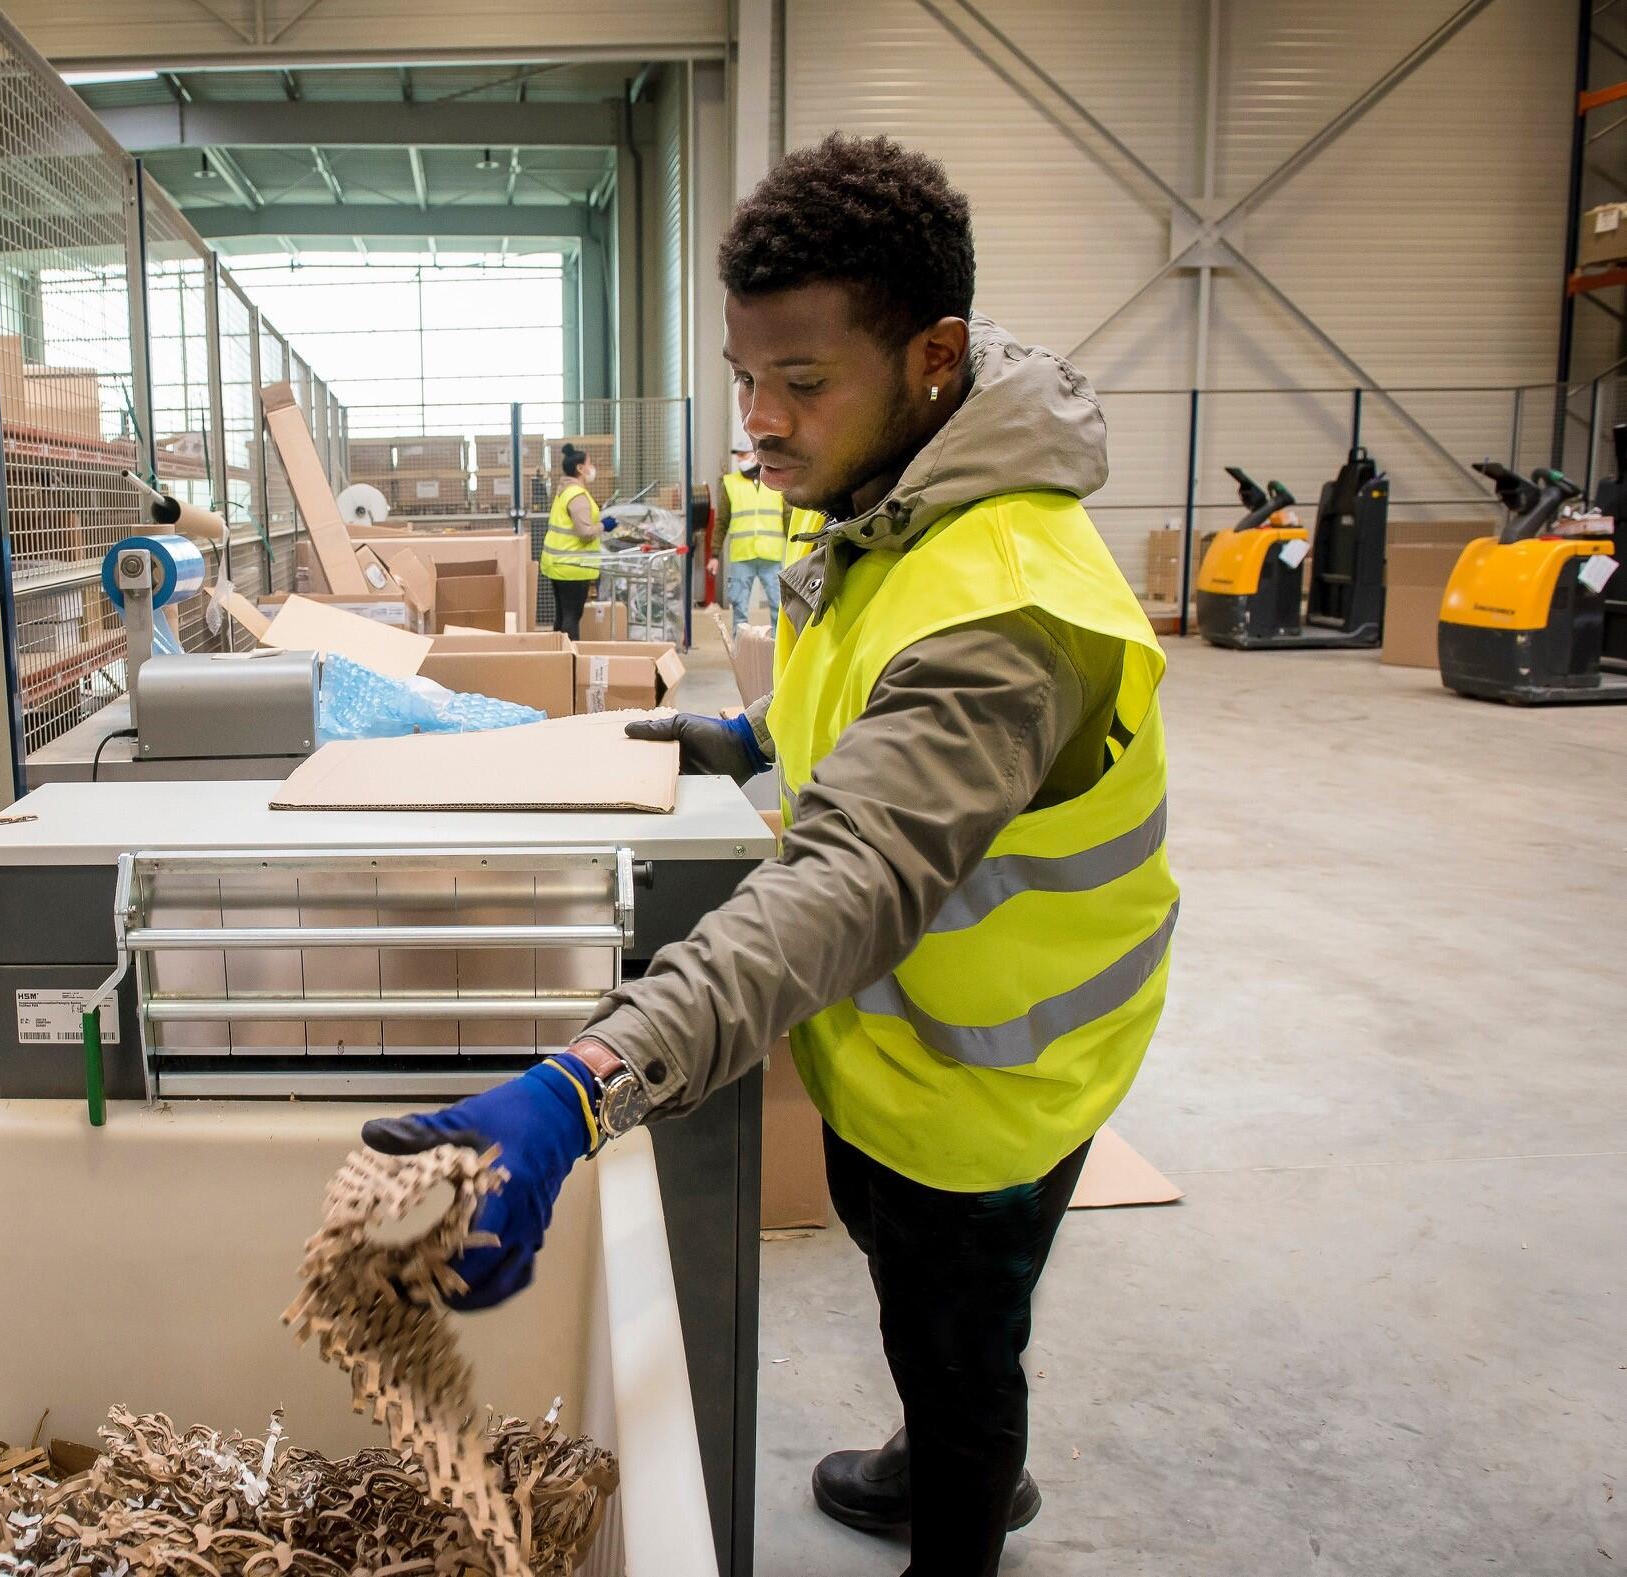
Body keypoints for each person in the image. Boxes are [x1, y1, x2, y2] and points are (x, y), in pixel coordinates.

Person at [361, 134, 1176, 1577]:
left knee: (960, 1335)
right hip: (909, 1046)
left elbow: (844, 884)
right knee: (919, 1289)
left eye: (802, 383)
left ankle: (959, 1513)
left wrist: (584, 1080)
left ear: (931, 356)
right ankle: (941, 1450)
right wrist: (736, 740)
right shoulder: (905, 504)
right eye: (744, 379)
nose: (760, 423)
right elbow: (856, 700)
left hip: (993, 1080)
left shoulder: (1006, 613)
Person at [720, 443, 788, 624]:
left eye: (743, 455)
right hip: (742, 556)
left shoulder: (776, 481)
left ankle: (775, 651)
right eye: (738, 456)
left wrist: (795, 549)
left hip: (771, 555)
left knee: (779, 607)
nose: (740, 460)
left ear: (756, 455)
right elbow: (721, 521)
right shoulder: (730, 483)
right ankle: (741, 650)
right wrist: (712, 555)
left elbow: (788, 516)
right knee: (739, 608)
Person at [540, 443, 601, 637]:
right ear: (580, 468)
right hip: (573, 566)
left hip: (558, 564)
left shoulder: (564, 491)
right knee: (572, 617)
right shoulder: (577, 496)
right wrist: (605, 525)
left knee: (562, 615)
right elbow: (585, 532)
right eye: (589, 463)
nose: (592, 468)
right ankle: (571, 661)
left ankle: (558, 658)